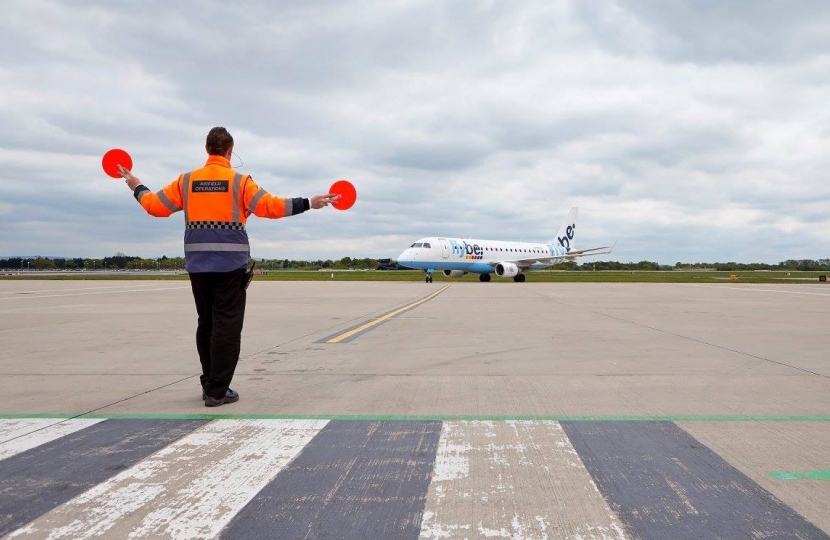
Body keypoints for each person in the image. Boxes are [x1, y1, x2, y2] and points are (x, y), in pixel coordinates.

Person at [119, 127, 339, 407]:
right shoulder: (240, 181)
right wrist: (308, 202)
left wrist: (136, 184)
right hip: (230, 267)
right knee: (227, 327)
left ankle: (209, 381)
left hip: (198, 267)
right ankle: (217, 390)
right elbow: (269, 207)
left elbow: (154, 206)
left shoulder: (187, 181)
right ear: (230, 151)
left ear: (208, 149)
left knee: (206, 323)